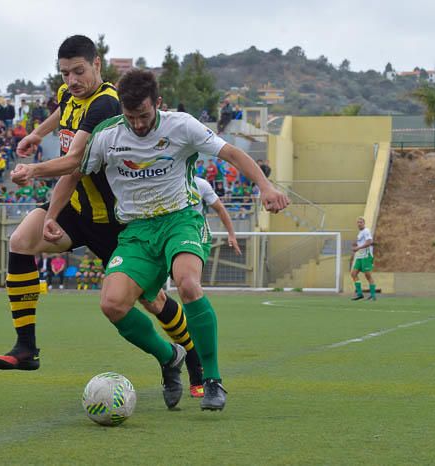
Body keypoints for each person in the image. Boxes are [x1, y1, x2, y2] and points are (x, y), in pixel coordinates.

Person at [17, 69, 289, 410]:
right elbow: (74, 172)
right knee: (112, 305)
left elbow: (232, 153)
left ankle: (213, 380)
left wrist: (265, 186)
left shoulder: (181, 125)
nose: (139, 125)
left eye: (144, 116)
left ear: (157, 104)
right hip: (137, 230)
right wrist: (52, 215)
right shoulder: (108, 135)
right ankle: (168, 356)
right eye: (130, 117)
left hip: (180, 220)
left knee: (188, 284)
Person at [0, 35, 204, 405]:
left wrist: (33, 169)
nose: (72, 80)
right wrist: (38, 133)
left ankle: (191, 358)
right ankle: (27, 347)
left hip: (116, 222)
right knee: (20, 242)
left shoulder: (107, 103)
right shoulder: (69, 93)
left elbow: (74, 161)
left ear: (97, 65)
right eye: (65, 73)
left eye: (79, 71)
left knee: (153, 302)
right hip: (76, 208)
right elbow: (63, 111)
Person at [193, 176, 241, 258]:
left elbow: (220, 209)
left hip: (199, 234)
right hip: (173, 231)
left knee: (191, 266)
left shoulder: (201, 184)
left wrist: (231, 234)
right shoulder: (167, 184)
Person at [351, 216, 376, 301]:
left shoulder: (366, 231)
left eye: (361, 222)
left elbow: (369, 242)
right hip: (360, 256)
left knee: (367, 275)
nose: (359, 224)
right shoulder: (360, 233)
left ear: (364, 223)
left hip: (366, 256)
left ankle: (373, 295)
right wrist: (355, 245)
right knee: (353, 274)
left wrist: (357, 248)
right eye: (358, 222)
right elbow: (359, 244)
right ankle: (360, 294)